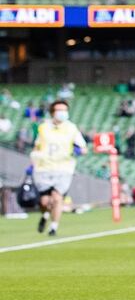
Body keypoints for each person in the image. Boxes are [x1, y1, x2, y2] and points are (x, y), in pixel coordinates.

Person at [30, 100, 87, 237]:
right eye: (59, 110)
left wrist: (77, 151)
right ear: (52, 112)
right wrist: (32, 162)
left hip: (64, 168)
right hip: (43, 168)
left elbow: (84, 148)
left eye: (65, 110)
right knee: (44, 202)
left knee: (57, 197)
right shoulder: (43, 128)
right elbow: (37, 146)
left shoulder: (71, 128)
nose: (62, 113)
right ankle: (45, 214)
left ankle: (53, 227)